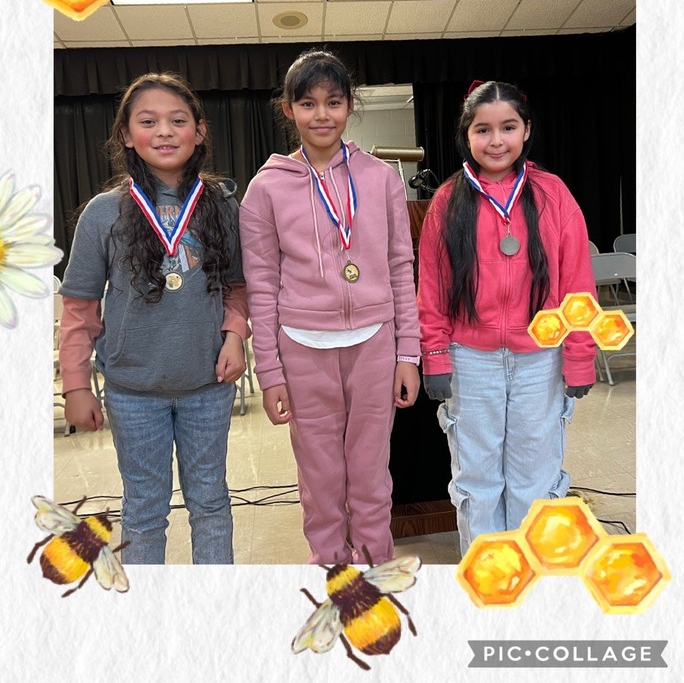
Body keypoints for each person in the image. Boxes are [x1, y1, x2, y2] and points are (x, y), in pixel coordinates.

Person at [59, 72, 249, 565]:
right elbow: (79, 308)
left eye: (177, 120)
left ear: (199, 131)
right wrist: (76, 385)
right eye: (148, 121)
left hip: (207, 385)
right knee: (143, 510)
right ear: (126, 134)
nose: (164, 131)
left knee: (210, 502)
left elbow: (238, 287)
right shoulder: (103, 213)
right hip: (132, 392)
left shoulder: (222, 207)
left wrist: (233, 336)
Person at [239, 50, 420, 565]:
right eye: (308, 103)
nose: (322, 114)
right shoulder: (265, 189)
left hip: (374, 343)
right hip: (302, 348)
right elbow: (261, 284)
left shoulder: (381, 177)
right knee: (320, 479)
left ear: (349, 106)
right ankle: (332, 573)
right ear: (287, 109)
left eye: (334, 102)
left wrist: (409, 353)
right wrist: (269, 373)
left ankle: (375, 569)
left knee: (370, 473)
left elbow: (400, 266)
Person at [417, 79, 596, 556]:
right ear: (466, 135)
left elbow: (578, 282)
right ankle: (489, 577)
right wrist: (434, 353)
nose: (496, 141)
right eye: (483, 129)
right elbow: (430, 289)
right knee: (477, 479)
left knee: (534, 476)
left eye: (508, 127)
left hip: (541, 359)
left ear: (527, 130)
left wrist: (579, 356)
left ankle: (530, 577)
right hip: (470, 360)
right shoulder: (447, 202)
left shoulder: (554, 195)